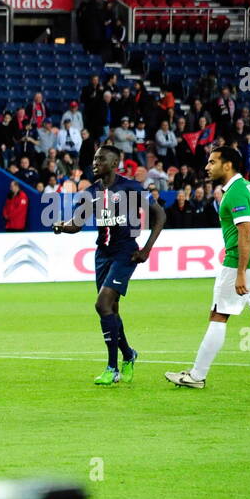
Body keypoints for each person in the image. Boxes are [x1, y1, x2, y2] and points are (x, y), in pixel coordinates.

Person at [166, 146, 250, 390]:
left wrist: (240, 273)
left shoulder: (235, 193)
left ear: (228, 165)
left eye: (212, 162)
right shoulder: (247, 186)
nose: (207, 166)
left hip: (241, 262)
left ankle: (197, 376)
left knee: (218, 315)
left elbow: (244, 233)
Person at [54, 144, 167, 386]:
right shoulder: (91, 192)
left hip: (125, 252)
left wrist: (146, 249)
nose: (95, 163)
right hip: (102, 254)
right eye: (94, 159)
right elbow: (77, 224)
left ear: (114, 164)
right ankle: (128, 354)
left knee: (102, 304)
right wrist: (62, 227)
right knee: (111, 309)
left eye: (100, 159)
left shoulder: (130, 187)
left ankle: (112, 368)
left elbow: (160, 215)